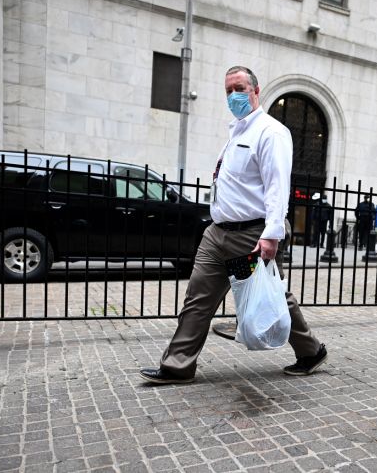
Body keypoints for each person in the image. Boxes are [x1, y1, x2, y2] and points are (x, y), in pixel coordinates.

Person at [140, 66, 328, 385]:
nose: (233, 95)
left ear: (256, 90)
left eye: (239, 88)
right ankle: (178, 366)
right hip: (217, 234)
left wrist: (271, 234)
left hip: (249, 236)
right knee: (198, 298)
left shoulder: (271, 132)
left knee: (268, 296)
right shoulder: (236, 132)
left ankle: (310, 351)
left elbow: (277, 187)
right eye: (228, 90)